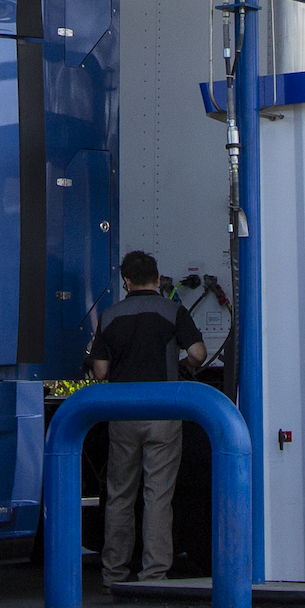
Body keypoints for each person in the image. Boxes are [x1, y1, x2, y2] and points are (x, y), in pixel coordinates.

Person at [88, 250, 207, 585]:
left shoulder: (110, 316)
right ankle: (154, 574)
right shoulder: (172, 310)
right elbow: (197, 352)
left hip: (123, 414)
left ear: (126, 281)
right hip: (163, 413)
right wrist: (187, 365)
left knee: (120, 495)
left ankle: (114, 572)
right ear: (157, 279)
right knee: (158, 495)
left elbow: (99, 371)